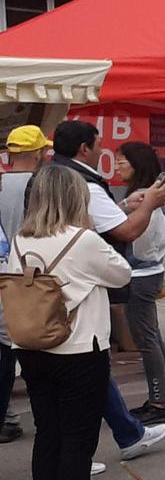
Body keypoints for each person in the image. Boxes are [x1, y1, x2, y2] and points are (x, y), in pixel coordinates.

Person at [5, 166, 134, 480]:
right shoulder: (83, 239)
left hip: (32, 347)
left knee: (48, 435)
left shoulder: (22, 239)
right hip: (79, 348)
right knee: (79, 439)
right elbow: (122, 274)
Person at [48, 121, 165, 464]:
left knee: (69, 377)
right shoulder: (85, 192)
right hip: (80, 294)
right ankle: (77, 459)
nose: (110, 159)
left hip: (40, 293)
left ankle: (122, 434)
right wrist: (146, 206)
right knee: (87, 369)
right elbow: (125, 244)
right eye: (102, 146)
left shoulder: (33, 227)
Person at [0, 124, 54, 444]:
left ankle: (6, 415)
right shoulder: (42, 185)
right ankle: (48, 418)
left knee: (4, 349)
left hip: (3, 273)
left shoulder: (0, 183)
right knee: (37, 351)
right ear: (36, 153)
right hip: (32, 276)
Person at [115, 142, 165, 423]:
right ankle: (161, 397)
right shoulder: (150, 195)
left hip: (141, 274)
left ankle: (159, 401)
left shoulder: (145, 197)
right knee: (152, 339)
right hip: (147, 271)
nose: (118, 167)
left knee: (147, 339)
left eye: (122, 162)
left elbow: (141, 239)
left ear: (136, 164)